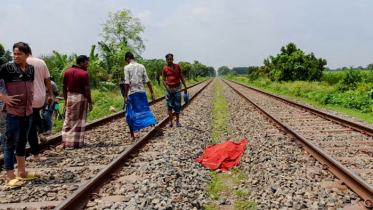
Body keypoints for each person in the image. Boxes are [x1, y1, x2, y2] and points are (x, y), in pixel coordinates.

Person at [0, 42, 41, 188]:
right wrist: (3, 97)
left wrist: (32, 93)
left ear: (27, 55)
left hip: (27, 111)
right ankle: (10, 177)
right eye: (14, 54)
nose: (16, 56)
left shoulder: (31, 69)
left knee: (22, 142)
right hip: (13, 112)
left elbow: (31, 84)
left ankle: (22, 172)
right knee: (10, 143)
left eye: (19, 54)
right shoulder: (6, 68)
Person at [58, 55, 92, 149]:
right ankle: (76, 143)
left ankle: (65, 142)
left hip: (70, 96)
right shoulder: (84, 74)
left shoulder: (67, 72)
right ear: (81, 63)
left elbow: (64, 87)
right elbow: (87, 89)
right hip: (80, 97)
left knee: (68, 120)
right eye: (86, 63)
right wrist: (90, 102)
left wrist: (65, 99)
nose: (87, 65)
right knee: (79, 121)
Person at [27, 52, 54, 160]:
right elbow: (47, 80)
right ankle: (41, 133)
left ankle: (35, 154)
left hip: (28, 98)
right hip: (41, 98)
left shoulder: (20, 63)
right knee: (37, 115)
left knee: (30, 126)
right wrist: (51, 95)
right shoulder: (41, 62)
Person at [124, 52, 156, 140]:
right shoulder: (142, 66)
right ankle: (154, 126)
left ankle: (132, 135)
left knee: (130, 113)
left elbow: (127, 83)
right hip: (142, 93)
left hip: (133, 94)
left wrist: (125, 96)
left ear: (127, 59)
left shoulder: (127, 67)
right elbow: (147, 80)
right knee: (145, 110)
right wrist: (152, 92)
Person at [162, 53, 187, 127]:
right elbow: (163, 80)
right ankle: (170, 122)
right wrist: (167, 88)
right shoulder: (165, 69)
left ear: (173, 59)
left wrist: (185, 86)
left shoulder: (177, 66)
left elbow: (181, 76)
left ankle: (178, 121)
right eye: (168, 59)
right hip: (169, 88)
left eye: (170, 59)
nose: (169, 60)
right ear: (166, 60)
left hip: (177, 88)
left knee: (177, 105)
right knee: (169, 105)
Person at [0, 79, 7, 153]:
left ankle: (4, 145)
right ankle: (3, 145)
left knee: (3, 126)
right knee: (3, 126)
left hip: (4, 104)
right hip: (3, 104)